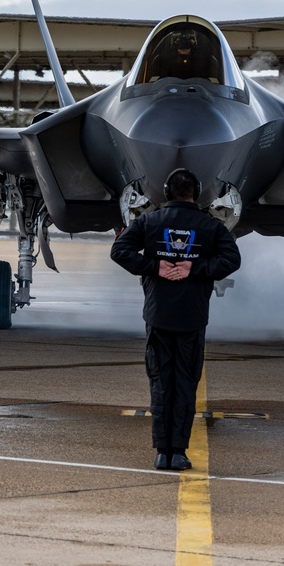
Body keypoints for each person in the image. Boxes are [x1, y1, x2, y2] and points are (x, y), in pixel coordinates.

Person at [110, 168, 241, 470]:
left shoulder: (149, 222)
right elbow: (231, 260)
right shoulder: (210, 226)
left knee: (160, 383)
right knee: (185, 384)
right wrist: (194, 269)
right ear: (196, 193)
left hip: (158, 316)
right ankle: (179, 453)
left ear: (167, 192)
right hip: (192, 318)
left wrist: (154, 266)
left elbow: (120, 250)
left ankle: (161, 452)